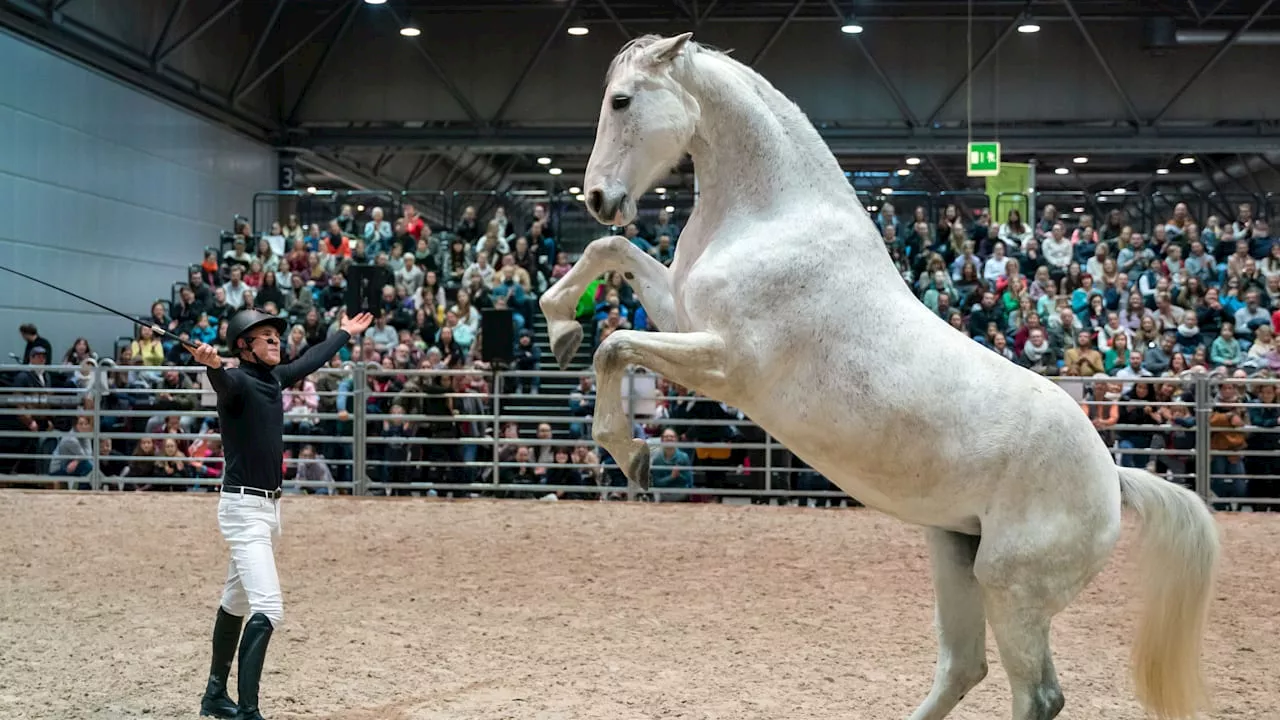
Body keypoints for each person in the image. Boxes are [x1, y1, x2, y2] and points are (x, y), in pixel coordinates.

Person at [192, 305, 372, 720]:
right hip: (243, 509)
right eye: (266, 336)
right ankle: (248, 712)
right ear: (244, 346)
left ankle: (215, 695)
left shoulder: (273, 378)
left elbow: (310, 360)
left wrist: (343, 333)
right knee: (268, 608)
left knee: (235, 602)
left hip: (269, 510)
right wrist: (213, 366)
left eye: (276, 335)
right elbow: (223, 381)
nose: (276, 340)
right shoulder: (236, 381)